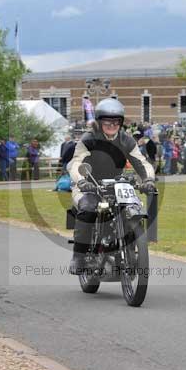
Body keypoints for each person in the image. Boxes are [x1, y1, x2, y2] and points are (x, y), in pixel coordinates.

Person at [67, 98, 156, 274]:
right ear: (100, 121)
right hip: (88, 184)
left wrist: (148, 180)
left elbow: (142, 163)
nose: (111, 124)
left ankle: (130, 247)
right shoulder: (89, 138)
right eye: (107, 121)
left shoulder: (127, 140)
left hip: (116, 184)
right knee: (89, 208)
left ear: (121, 122)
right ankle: (78, 256)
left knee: (133, 207)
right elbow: (75, 163)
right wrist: (82, 180)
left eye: (116, 121)